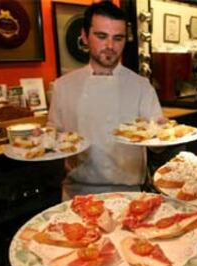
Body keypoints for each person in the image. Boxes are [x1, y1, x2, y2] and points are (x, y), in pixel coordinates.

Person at [48, 2, 163, 200]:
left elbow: (158, 144)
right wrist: (41, 138)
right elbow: (53, 138)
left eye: (117, 38)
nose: (110, 46)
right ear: (84, 36)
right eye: (101, 36)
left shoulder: (141, 86)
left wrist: (164, 132)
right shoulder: (62, 86)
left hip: (130, 194)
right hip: (77, 194)